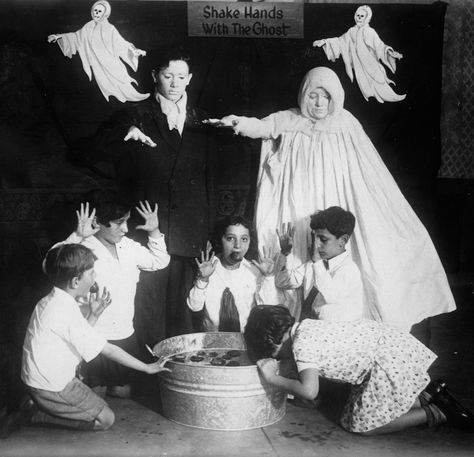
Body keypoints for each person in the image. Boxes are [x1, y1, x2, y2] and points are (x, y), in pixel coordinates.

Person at [207, 66, 455, 330]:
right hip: (298, 201)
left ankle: (342, 326)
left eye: (325, 96)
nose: (319, 102)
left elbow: (367, 163)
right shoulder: (289, 119)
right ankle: (293, 328)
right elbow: (262, 127)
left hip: (335, 196)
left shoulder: (345, 123)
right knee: (296, 256)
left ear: (334, 98)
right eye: (313, 95)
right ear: (304, 95)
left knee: (345, 259)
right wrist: (238, 123)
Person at [102, 46, 216, 337]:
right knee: (148, 313)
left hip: (190, 233)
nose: (175, 83)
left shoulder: (202, 120)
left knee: (185, 317)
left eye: (181, 76)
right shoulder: (135, 115)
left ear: (190, 78)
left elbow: (209, 182)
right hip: (148, 232)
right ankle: (147, 378)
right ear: (155, 76)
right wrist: (125, 132)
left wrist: (208, 231)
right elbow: (98, 143)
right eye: (168, 75)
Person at [0, 244, 170, 437]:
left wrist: (94, 315)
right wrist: (147, 368)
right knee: (106, 419)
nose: (94, 278)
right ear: (75, 281)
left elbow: (76, 338)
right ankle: (35, 414)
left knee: (96, 400)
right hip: (51, 386)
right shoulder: (64, 310)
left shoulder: (52, 300)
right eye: (91, 274)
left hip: (40, 378)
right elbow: (108, 349)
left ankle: (34, 402)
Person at [244, 305, 474, 435]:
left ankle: (436, 412)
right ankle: (428, 395)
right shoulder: (305, 328)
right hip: (391, 348)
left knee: (358, 424)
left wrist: (273, 378)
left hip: (386, 362)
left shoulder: (303, 346)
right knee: (352, 409)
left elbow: (309, 391)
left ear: (272, 342)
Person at [50, 190, 170, 398]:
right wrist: (78, 235)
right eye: (118, 222)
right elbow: (50, 265)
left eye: (127, 221)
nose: (125, 229)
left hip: (125, 335)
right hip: (93, 335)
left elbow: (159, 261)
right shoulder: (81, 248)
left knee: (123, 394)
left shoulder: (129, 247)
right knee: (94, 395)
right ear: (98, 221)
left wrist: (154, 232)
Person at [187, 216, 281, 332]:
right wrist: (202, 279)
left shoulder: (253, 271)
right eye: (231, 238)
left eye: (244, 239)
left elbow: (269, 307)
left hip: (245, 339)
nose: (238, 245)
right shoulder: (207, 268)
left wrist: (267, 277)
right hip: (212, 339)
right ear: (220, 240)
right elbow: (194, 306)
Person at [47, 0, 149, 103]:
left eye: (99, 11)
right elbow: (77, 37)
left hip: (110, 61)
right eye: (95, 10)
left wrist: (135, 50)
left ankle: (135, 95)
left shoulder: (110, 28)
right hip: (97, 63)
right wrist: (59, 36)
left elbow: (120, 42)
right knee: (104, 84)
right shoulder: (88, 26)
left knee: (120, 79)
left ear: (105, 14)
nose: (96, 13)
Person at [276, 206, 363, 321]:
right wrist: (285, 253)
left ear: (343, 240)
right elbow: (282, 282)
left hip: (339, 330)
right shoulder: (314, 264)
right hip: (312, 327)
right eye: (314, 238)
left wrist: (317, 262)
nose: (316, 245)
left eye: (323, 239)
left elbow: (331, 296)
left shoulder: (349, 269)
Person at [312, 5, 405, 103]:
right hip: (358, 66)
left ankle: (391, 96)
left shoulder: (369, 31)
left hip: (370, 64)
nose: (359, 18)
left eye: (362, 16)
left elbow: (379, 45)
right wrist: (324, 42)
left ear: (367, 18)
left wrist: (390, 52)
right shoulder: (351, 31)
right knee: (363, 86)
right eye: (358, 15)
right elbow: (340, 41)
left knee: (379, 83)